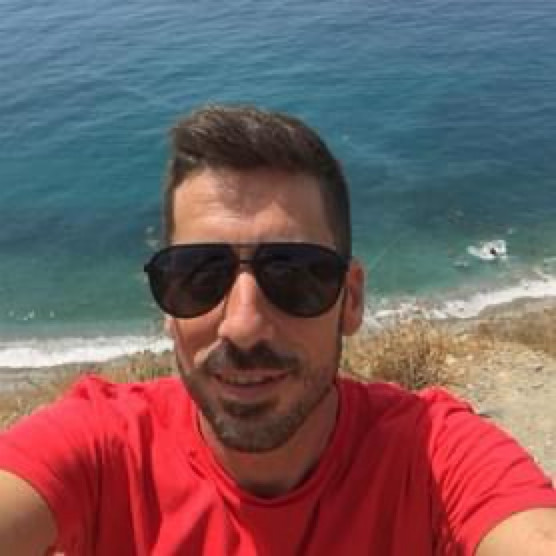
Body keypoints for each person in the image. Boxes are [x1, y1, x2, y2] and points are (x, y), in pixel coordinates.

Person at [0, 105, 555, 555]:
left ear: (351, 300)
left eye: (293, 274)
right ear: (168, 306)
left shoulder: (433, 461)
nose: (243, 325)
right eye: (199, 275)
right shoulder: (104, 452)